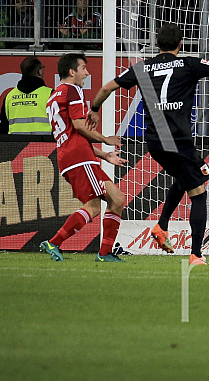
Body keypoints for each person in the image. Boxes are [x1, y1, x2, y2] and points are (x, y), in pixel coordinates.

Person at [87, 23, 209, 265]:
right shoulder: (189, 63)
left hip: (155, 141)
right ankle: (196, 254)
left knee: (187, 176)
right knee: (199, 192)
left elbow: (106, 88)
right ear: (181, 44)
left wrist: (94, 109)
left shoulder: (143, 67)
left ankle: (162, 226)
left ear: (157, 45)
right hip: (177, 139)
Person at [39, 53, 128, 262]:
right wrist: (105, 139)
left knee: (116, 199)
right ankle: (54, 242)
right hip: (78, 157)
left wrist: (104, 155)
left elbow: (72, 134)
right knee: (95, 206)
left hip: (72, 156)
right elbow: (79, 126)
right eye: (83, 68)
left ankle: (105, 253)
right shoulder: (73, 90)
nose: (87, 73)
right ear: (72, 71)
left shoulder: (54, 95)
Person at [0, 56, 51, 135]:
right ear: (39, 71)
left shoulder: (9, 97)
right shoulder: (50, 94)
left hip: (16, 146)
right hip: (45, 145)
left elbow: (3, 128)